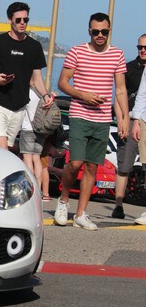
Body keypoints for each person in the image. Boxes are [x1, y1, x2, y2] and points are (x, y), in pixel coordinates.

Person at [54, 12, 129, 231]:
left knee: (91, 167)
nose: (100, 35)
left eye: (104, 31)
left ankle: (80, 214)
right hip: (79, 115)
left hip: (103, 119)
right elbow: (62, 83)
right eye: (95, 31)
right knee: (75, 162)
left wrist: (123, 118)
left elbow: (121, 90)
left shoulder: (117, 54)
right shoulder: (77, 51)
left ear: (109, 31)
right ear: (89, 31)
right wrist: (83, 95)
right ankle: (64, 201)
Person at [0, 1, 53, 150]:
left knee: (4, 151)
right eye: (18, 20)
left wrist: (45, 95)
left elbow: (37, 78)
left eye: (25, 20)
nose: (22, 23)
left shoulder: (34, 46)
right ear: (9, 20)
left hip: (19, 107)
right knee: (2, 149)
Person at [110, 34, 146, 220]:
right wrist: (121, 121)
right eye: (139, 47)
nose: (142, 50)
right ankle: (118, 205)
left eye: (145, 47)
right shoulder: (129, 68)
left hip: (144, 122)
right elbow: (118, 95)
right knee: (124, 165)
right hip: (130, 120)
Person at [20, 85, 45, 187]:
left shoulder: (27, 93)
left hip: (27, 129)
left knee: (27, 159)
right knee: (37, 159)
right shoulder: (42, 94)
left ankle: (31, 186)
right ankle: (38, 186)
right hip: (40, 130)